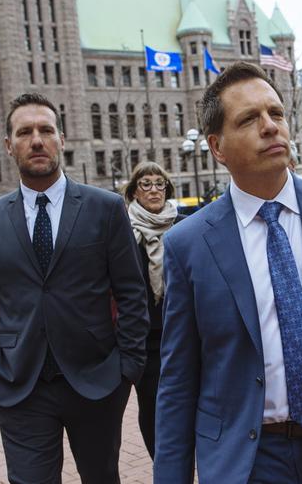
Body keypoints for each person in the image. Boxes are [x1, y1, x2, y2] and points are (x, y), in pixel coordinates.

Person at [154, 62, 302, 484]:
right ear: (217, 146)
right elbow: (178, 378)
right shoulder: (188, 244)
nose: (270, 126)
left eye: (276, 113)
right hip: (243, 460)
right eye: (249, 119)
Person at [0, 93, 149, 484]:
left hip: (98, 382)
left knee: (102, 477)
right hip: (20, 386)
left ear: (62, 139)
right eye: (25, 132)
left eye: (46, 130)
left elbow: (133, 291)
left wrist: (127, 369)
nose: (37, 140)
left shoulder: (105, 208)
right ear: (9, 145)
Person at [123, 162, 185, 460]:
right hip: (145, 339)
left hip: (184, 333)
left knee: (189, 401)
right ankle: (162, 463)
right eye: (146, 183)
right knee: (151, 405)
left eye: (160, 184)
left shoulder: (183, 226)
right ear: (134, 190)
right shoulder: (124, 231)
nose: (154, 190)